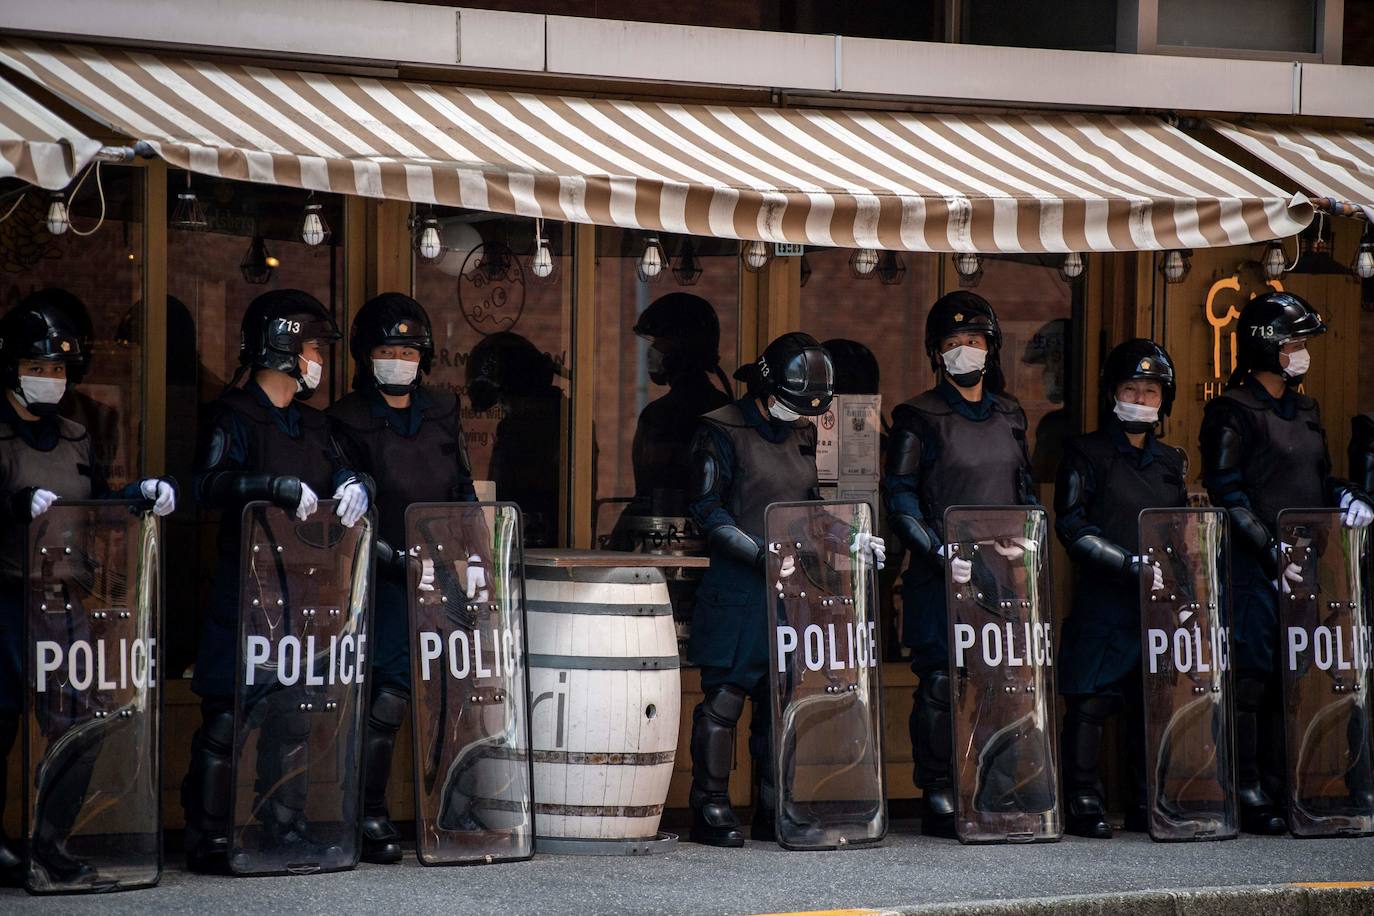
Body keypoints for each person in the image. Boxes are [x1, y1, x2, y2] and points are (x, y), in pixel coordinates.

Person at [182, 289, 371, 873]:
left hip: (307, 596)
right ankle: (209, 838)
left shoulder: (317, 425)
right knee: (226, 717)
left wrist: (357, 482)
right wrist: (271, 487)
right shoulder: (232, 416)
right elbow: (206, 485)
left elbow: (345, 466)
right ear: (284, 347)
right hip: (245, 593)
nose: (320, 358)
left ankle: (283, 828)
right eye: (314, 346)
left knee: (293, 714)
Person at [0, 292, 175, 883]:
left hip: (65, 597)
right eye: (36, 367)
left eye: (57, 369)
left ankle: (51, 842)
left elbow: (96, 503)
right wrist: (15, 505)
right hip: (7, 593)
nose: (48, 379)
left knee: (80, 720)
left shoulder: (76, 435)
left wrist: (139, 496)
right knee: (1, 719)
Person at [685, 332, 884, 846]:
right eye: (794, 403)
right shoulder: (719, 429)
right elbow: (708, 511)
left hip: (790, 590)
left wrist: (852, 538)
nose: (799, 414)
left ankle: (776, 805)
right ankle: (709, 806)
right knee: (725, 699)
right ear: (767, 384)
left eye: (807, 409)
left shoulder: (799, 433)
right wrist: (761, 552)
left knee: (781, 704)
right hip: (738, 586)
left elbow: (811, 510)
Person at [1199, 291, 1373, 834]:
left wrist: (1346, 495)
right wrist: (1269, 548)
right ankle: (1246, 786)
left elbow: (1316, 479)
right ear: (1268, 347)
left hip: (1306, 562)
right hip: (1254, 568)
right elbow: (1227, 493)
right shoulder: (1231, 412)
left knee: (1291, 679)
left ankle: (1283, 783)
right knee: (1250, 679)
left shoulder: (1306, 409)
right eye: (1295, 343)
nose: (1303, 353)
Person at [327, 293, 480, 864]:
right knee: (389, 697)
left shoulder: (442, 409)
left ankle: (454, 807)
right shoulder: (344, 419)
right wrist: (399, 561)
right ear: (367, 356)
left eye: (408, 350)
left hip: (444, 572)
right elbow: (351, 512)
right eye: (387, 350)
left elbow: (461, 485)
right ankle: (369, 813)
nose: (399, 360)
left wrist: (476, 554)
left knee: (455, 692)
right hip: (383, 575)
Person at [882, 291, 1035, 838]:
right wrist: (940, 551)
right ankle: (939, 790)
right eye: (952, 343)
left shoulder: (1010, 414)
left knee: (1000, 682)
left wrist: (1030, 539)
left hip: (1001, 576)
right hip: (939, 574)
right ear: (936, 353)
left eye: (972, 341)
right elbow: (899, 501)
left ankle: (995, 785)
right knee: (942, 684)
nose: (963, 350)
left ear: (990, 347)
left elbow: (1025, 492)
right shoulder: (917, 418)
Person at [1054, 339, 1186, 838]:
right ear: (1113, 392)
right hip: (1104, 596)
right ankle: (1083, 798)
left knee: (1149, 699)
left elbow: (1179, 528)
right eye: (1131, 388)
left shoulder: (1171, 461)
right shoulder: (1084, 452)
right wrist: (1127, 564)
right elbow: (1072, 525)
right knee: (1090, 699)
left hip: (1156, 604)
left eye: (1150, 391)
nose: (1140, 398)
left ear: (1163, 399)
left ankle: (1146, 797)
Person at [625, 293, 732, 518]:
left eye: (659, 343)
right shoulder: (728, 410)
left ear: (681, 347)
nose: (652, 351)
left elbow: (649, 490)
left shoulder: (659, 416)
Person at [465, 332, 562, 547]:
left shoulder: (547, 427)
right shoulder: (553, 420)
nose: (506, 407)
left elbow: (509, 488)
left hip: (535, 541)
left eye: (506, 400)